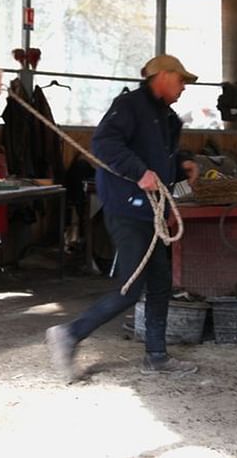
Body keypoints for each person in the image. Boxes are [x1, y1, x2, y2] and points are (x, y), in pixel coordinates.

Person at [45, 54, 199, 381]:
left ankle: (156, 357)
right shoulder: (129, 106)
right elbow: (104, 144)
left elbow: (161, 159)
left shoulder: (168, 118)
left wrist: (183, 163)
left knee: (160, 284)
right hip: (128, 208)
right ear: (163, 76)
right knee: (130, 286)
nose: (184, 87)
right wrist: (139, 172)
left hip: (151, 211)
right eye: (181, 80)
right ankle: (69, 334)